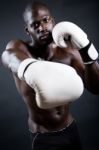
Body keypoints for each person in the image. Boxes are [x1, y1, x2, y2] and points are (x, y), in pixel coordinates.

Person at [1, 1, 99, 150]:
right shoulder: (21, 50)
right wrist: (30, 67)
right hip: (43, 136)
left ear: (53, 21)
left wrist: (86, 49)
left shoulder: (69, 53)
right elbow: (8, 57)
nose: (42, 28)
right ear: (28, 30)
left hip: (70, 128)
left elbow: (97, 87)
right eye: (35, 24)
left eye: (45, 20)